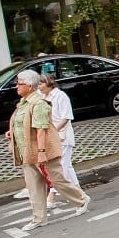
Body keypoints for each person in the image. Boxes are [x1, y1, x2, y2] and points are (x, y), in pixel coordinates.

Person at [6, 69, 90, 231]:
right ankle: (39, 218)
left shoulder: (38, 103)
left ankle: (81, 199)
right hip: (28, 152)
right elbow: (21, 122)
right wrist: (12, 132)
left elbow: (41, 129)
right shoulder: (25, 102)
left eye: (19, 83)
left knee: (57, 180)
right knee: (34, 186)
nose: (16, 86)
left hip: (41, 152)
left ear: (30, 86)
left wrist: (42, 151)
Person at [39, 73, 80, 207]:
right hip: (50, 136)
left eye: (41, 83)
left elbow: (66, 117)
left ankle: (52, 194)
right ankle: (78, 191)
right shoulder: (41, 97)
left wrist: (53, 131)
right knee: (66, 165)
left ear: (49, 84)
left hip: (62, 136)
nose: (39, 86)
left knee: (60, 166)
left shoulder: (60, 96)